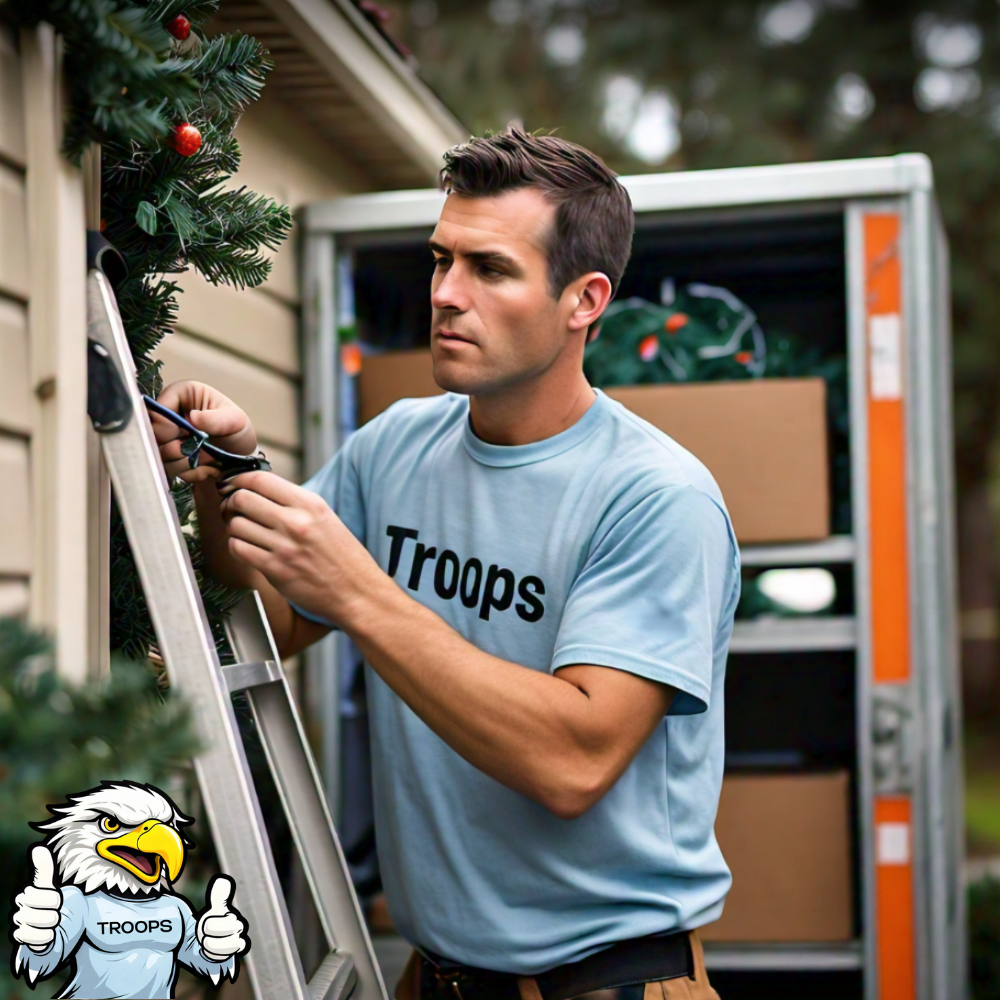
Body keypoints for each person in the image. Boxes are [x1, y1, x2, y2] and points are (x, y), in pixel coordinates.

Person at [153, 125, 739, 1000]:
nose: (446, 295)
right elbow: (273, 620)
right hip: (434, 979)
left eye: (490, 269)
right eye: (440, 261)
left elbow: (572, 762)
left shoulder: (656, 497)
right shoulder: (395, 447)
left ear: (584, 300)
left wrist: (359, 592)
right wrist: (226, 471)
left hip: (608, 983)